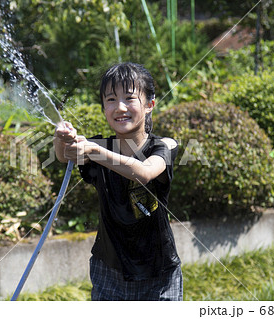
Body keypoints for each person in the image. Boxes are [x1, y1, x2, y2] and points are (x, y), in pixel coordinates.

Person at [54, 62, 182, 301]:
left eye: (130, 98)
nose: (120, 107)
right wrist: (61, 138)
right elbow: (64, 156)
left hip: (158, 272)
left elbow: (144, 172)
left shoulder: (162, 146)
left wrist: (92, 149)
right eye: (111, 99)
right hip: (108, 269)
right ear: (104, 107)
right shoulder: (100, 148)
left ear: (149, 105)